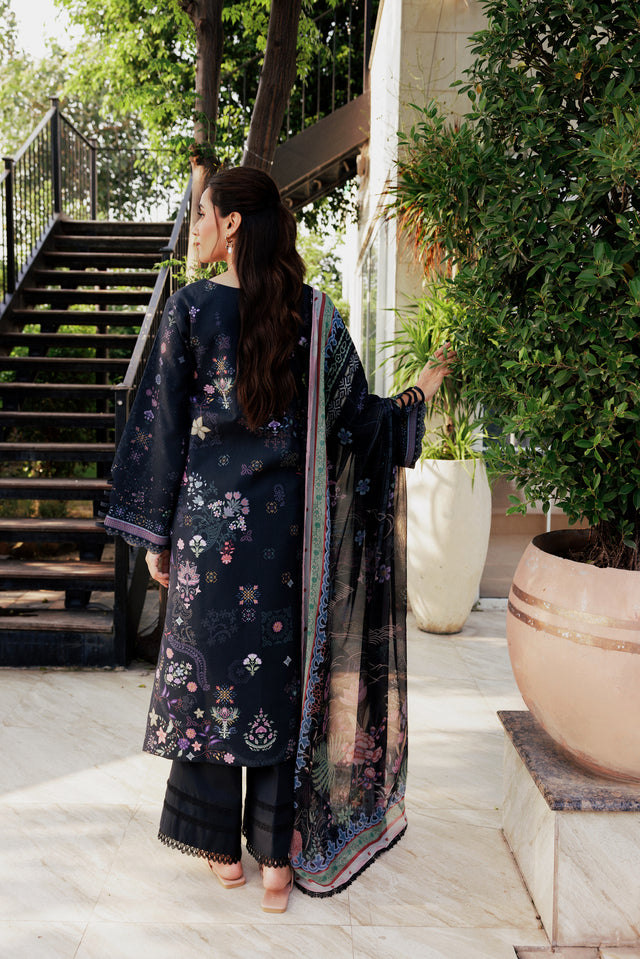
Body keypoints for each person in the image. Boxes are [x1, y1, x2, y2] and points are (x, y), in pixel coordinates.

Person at [104, 166, 454, 912]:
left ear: (232, 224)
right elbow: (360, 422)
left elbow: (163, 433)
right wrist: (420, 390)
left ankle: (219, 851)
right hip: (290, 542)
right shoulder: (314, 315)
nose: (196, 226)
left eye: (203, 213)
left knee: (208, 683)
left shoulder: (189, 310)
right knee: (278, 685)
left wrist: (156, 536)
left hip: (207, 539)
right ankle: (275, 862)